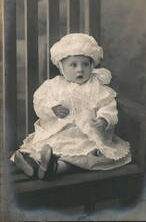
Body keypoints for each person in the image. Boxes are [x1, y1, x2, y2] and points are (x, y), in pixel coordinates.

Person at [10, 33, 131, 179]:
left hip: (86, 135)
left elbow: (108, 104)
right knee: (49, 147)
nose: (80, 69)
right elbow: (39, 101)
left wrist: (104, 119)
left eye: (85, 64)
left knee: (84, 155)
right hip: (59, 132)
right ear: (62, 67)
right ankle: (34, 164)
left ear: (92, 65)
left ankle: (52, 168)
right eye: (73, 65)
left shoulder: (96, 87)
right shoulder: (53, 85)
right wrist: (52, 109)